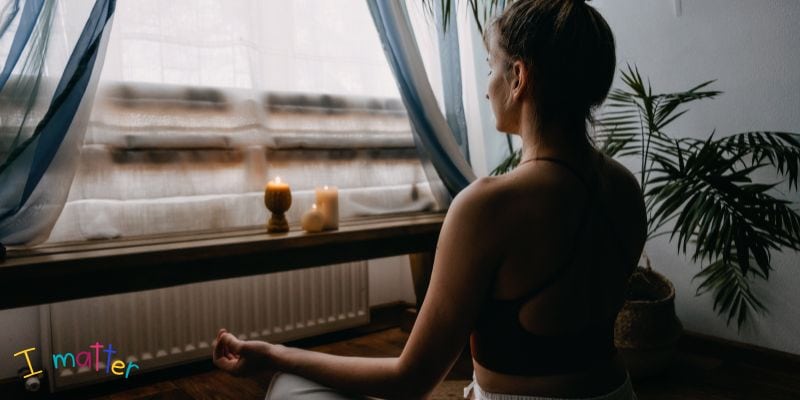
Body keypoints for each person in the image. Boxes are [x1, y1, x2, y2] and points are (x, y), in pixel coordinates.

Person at [212, 0, 646, 398]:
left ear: (518, 78)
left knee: (289, 385)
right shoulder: (625, 188)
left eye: (490, 66)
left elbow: (410, 379)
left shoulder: (489, 206)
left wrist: (274, 354)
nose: (485, 88)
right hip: (616, 392)